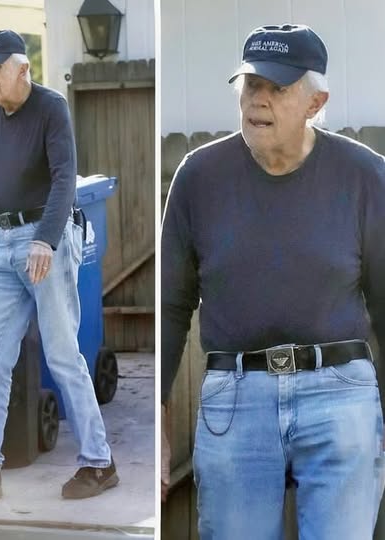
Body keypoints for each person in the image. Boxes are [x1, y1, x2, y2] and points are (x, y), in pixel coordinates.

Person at [161, 24, 385, 539]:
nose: (258, 100)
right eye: (250, 85)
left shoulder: (364, 176)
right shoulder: (199, 176)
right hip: (235, 400)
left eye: (277, 88)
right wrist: (158, 424)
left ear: (315, 101)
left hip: (341, 396)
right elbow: (171, 304)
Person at [0, 29, 118, 500]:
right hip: (4, 245)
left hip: (44, 241)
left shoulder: (51, 108)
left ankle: (99, 463)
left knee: (62, 356)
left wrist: (45, 242)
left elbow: (63, 180)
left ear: (22, 69)